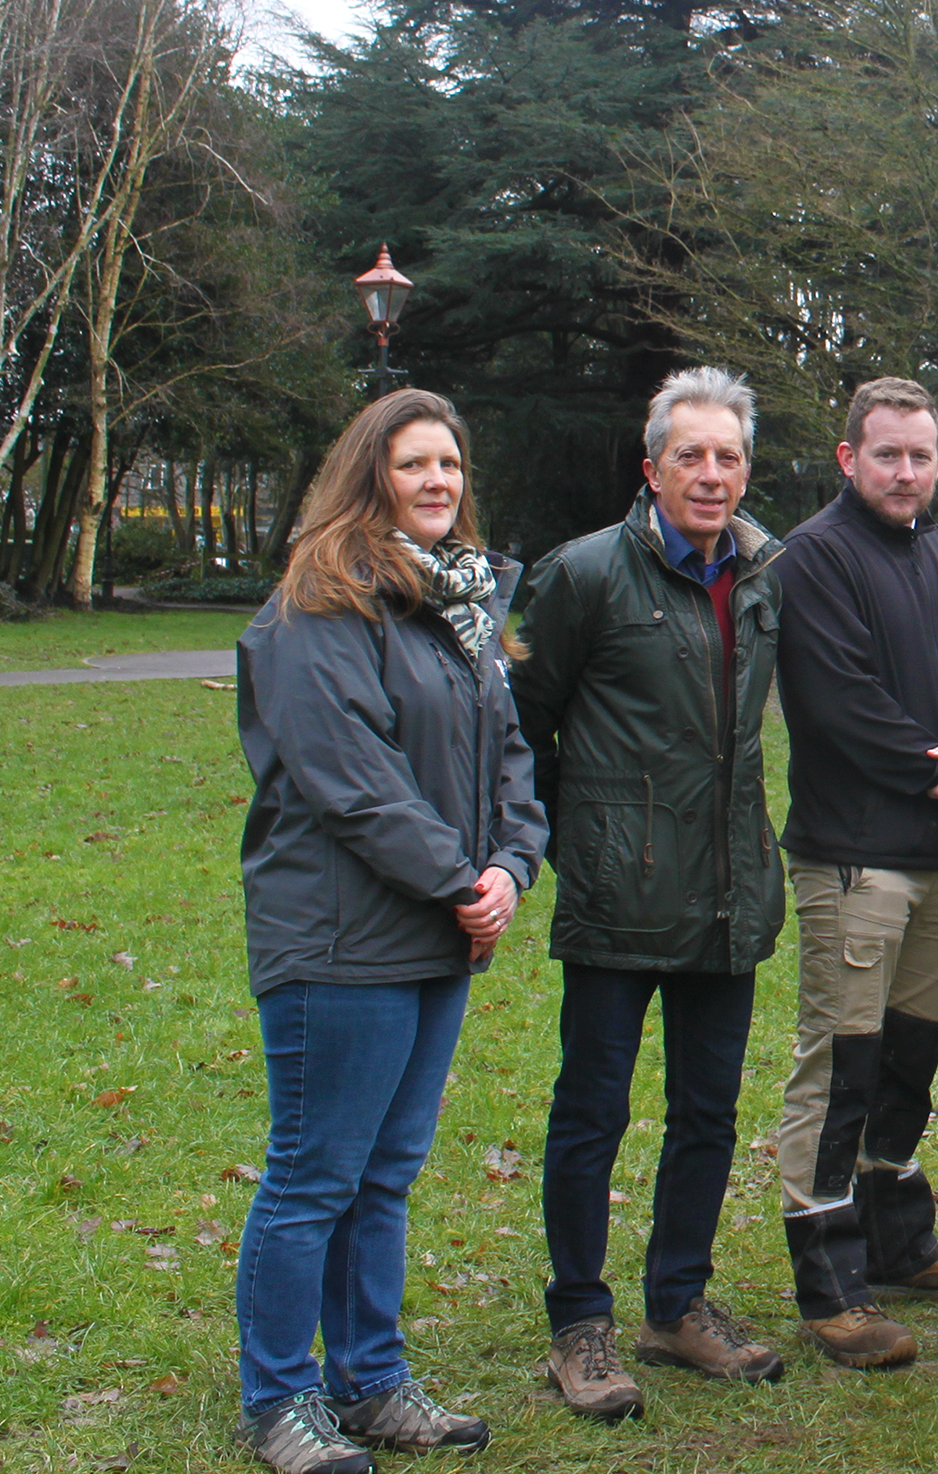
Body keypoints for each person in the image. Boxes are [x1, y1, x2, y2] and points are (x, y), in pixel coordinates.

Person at [232, 390, 546, 1474]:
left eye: (450, 464)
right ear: (370, 473)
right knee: (316, 1172)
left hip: (438, 928)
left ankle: (369, 1382)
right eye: (413, 463)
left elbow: (511, 761)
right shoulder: (319, 605)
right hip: (337, 935)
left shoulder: (460, 612)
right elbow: (348, 779)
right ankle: (279, 1399)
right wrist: (461, 878)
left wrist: (510, 865)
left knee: (385, 1176)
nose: (437, 482)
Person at [510, 368, 789, 1419]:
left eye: (727, 457)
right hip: (620, 893)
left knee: (707, 1114)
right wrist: (576, 840)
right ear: (653, 468)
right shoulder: (583, 576)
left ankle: (679, 1304)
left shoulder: (766, 574)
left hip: (729, 893)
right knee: (593, 1112)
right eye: (691, 456)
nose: (710, 475)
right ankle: (579, 1322)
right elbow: (526, 721)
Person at [772, 377, 938, 1369]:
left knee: (912, 1056)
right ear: (848, 458)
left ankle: (899, 1240)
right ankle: (831, 1283)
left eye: (920, 456)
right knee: (843, 1064)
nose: (904, 472)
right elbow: (837, 704)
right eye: (886, 454)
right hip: (856, 860)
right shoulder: (813, 561)